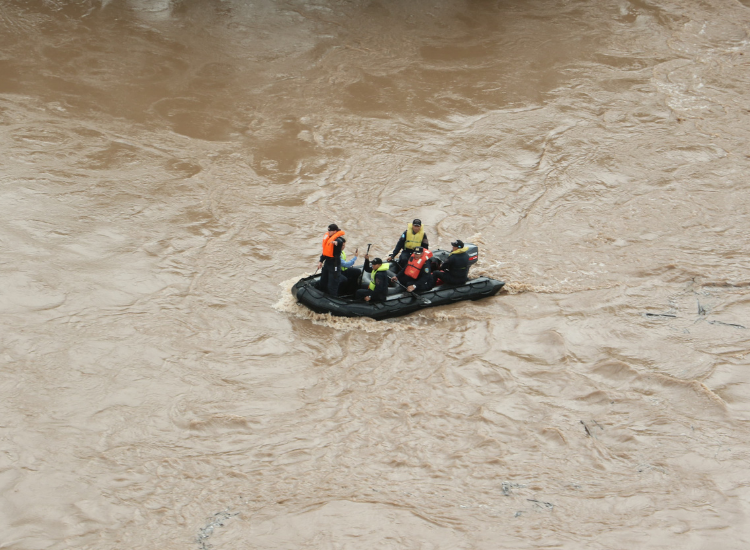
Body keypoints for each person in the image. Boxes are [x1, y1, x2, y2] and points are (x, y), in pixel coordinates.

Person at [317, 223, 346, 296]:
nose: (329, 232)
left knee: (332, 284)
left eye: (330, 231)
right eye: (328, 231)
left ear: (335, 231)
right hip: (327, 263)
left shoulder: (339, 239)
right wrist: (321, 261)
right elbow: (325, 252)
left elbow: (340, 241)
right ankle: (321, 294)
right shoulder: (328, 238)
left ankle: (333, 298)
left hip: (335, 264)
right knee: (323, 280)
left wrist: (336, 242)